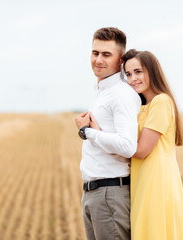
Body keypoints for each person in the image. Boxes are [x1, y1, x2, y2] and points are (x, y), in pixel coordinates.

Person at [89, 49, 183, 240]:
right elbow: (127, 146)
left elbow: (141, 150)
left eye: (138, 72)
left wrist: (96, 134)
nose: (132, 78)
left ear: (152, 72)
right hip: (142, 180)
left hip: (156, 181)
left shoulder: (161, 102)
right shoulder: (141, 106)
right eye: (127, 74)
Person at [75, 28, 141, 240]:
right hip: (94, 194)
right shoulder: (103, 92)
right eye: (95, 53)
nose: (98, 60)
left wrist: (88, 133)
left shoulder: (121, 94)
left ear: (120, 59)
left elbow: (127, 145)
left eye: (106, 54)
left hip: (109, 194)